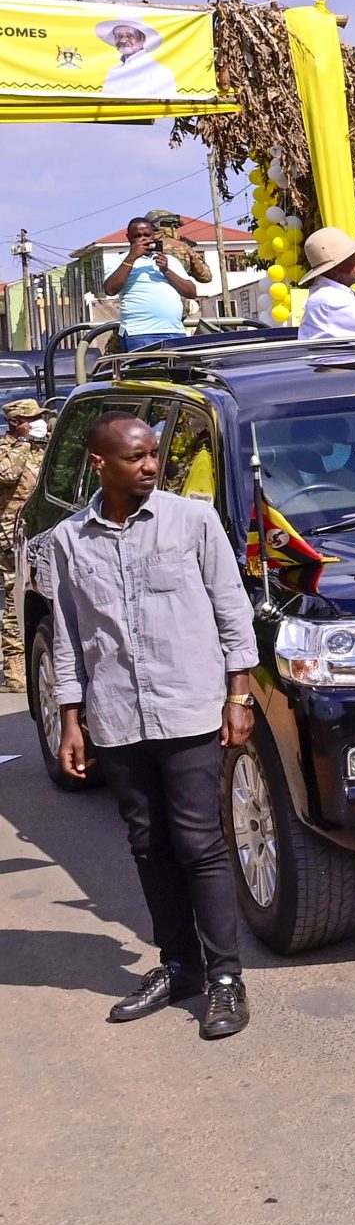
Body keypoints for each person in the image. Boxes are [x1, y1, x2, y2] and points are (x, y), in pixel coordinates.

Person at [36, 413, 260, 1039]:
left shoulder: (192, 521)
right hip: (116, 716)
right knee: (147, 845)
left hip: (188, 707)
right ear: (100, 464)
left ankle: (224, 978)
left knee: (199, 843)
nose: (151, 465)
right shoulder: (67, 542)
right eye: (136, 457)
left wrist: (239, 696)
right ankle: (179, 965)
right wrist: (71, 720)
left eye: (154, 454)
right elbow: (71, 641)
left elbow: (231, 611)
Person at [101, 214, 200, 350]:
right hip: (140, 334)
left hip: (174, 331)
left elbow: (191, 292)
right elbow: (110, 289)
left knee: (177, 371)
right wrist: (132, 257)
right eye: (137, 236)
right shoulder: (119, 261)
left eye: (147, 235)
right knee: (147, 371)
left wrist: (166, 270)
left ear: (153, 236)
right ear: (128, 237)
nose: (143, 239)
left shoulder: (169, 260)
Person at [0, 398, 43, 686]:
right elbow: (7, 474)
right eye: (32, 418)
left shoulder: (39, 447)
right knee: (14, 598)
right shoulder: (6, 449)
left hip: (37, 531)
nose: (37, 422)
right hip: (8, 533)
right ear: (17, 423)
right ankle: (15, 669)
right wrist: (25, 443)